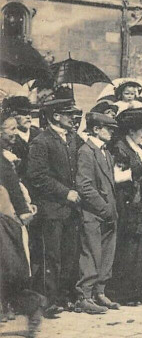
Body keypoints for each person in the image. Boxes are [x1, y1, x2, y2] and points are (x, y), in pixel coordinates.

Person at [26, 93, 82, 318]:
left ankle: (62, 297)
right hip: (51, 208)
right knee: (51, 256)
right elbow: (37, 176)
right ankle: (47, 300)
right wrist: (64, 192)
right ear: (55, 116)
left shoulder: (72, 138)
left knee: (69, 254)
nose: (72, 118)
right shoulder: (42, 141)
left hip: (70, 209)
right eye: (68, 114)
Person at [0, 110, 45, 337]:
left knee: (8, 271)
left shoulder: (4, 160)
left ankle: (32, 306)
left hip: (3, 221)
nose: (14, 134)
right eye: (10, 129)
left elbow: (13, 188)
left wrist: (24, 211)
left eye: (16, 129)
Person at [108, 108, 142, 305]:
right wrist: (137, 171)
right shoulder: (120, 148)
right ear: (130, 131)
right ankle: (123, 293)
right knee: (127, 246)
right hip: (126, 201)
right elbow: (116, 176)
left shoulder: (139, 149)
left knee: (138, 245)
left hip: (140, 201)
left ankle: (138, 291)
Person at [75, 112, 121, 315]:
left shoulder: (105, 152)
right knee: (91, 254)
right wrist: (104, 208)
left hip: (108, 212)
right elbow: (84, 186)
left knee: (106, 254)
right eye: (108, 128)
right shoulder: (86, 152)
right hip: (94, 212)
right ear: (95, 129)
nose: (111, 133)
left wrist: (110, 210)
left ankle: (99, 292)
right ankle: (84, 296)